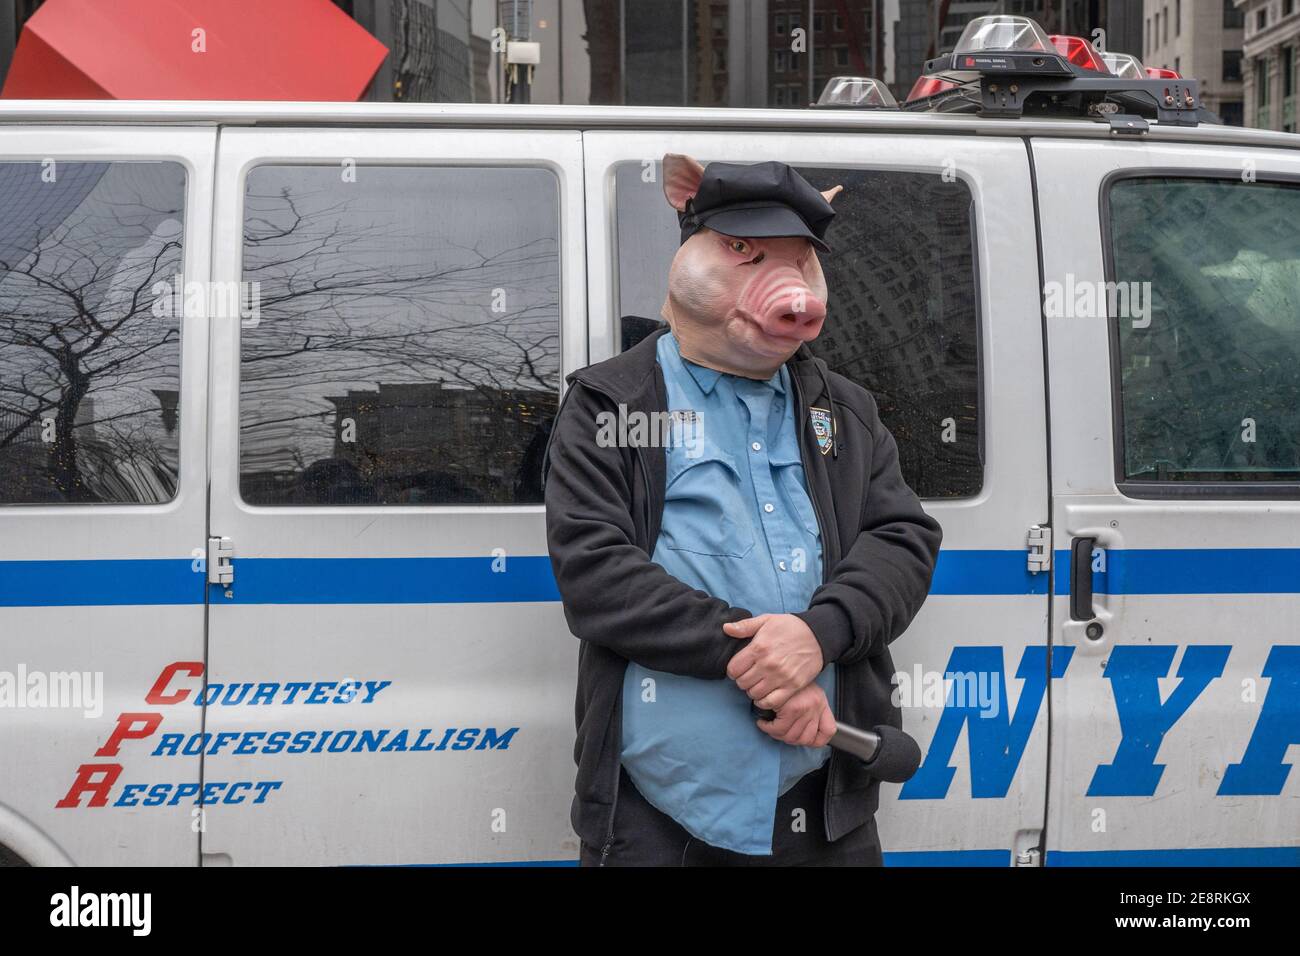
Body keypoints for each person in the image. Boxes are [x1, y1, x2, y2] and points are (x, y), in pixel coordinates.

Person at [542, 155, 942, 866]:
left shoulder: (842, 410)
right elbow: (595, 573)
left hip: (822, 799)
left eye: (799, 263)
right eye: (747, 255)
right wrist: (759, 658)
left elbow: (901, 537)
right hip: (657, 813)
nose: (792, 292)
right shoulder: (616, 405)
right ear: (689, 242)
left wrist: (819, 636)